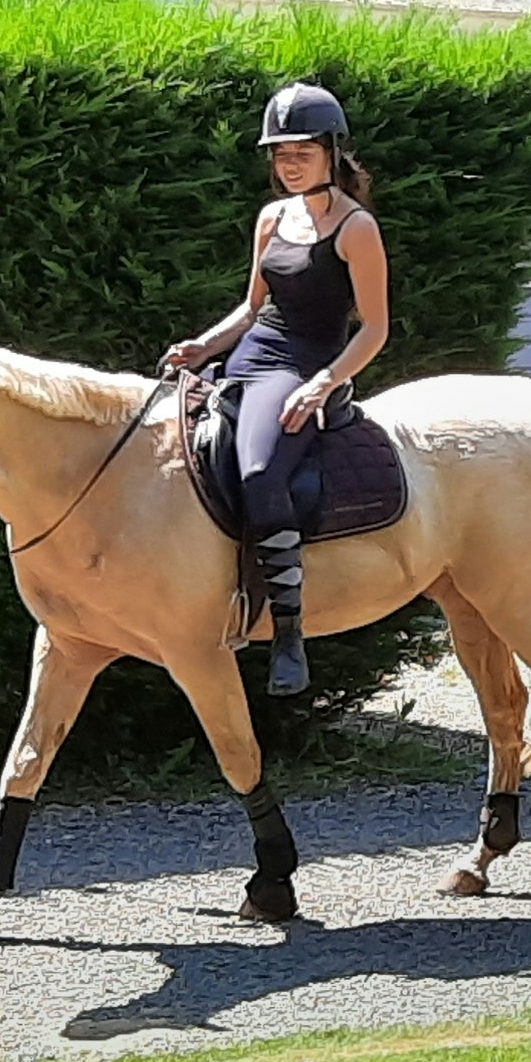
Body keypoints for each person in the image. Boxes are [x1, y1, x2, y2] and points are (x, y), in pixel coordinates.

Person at [166, 82, 393, 694]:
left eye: (301, 153)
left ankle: (287, 628)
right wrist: (201, 347)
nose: (289, 165)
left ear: (331, 153)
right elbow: (249, 310)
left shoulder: (356, 228)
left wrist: (323, 384)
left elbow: (375, 328)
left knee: (261, 470)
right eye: (280, 155)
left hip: (304, 366)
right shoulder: (271, 218)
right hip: (251, 354)